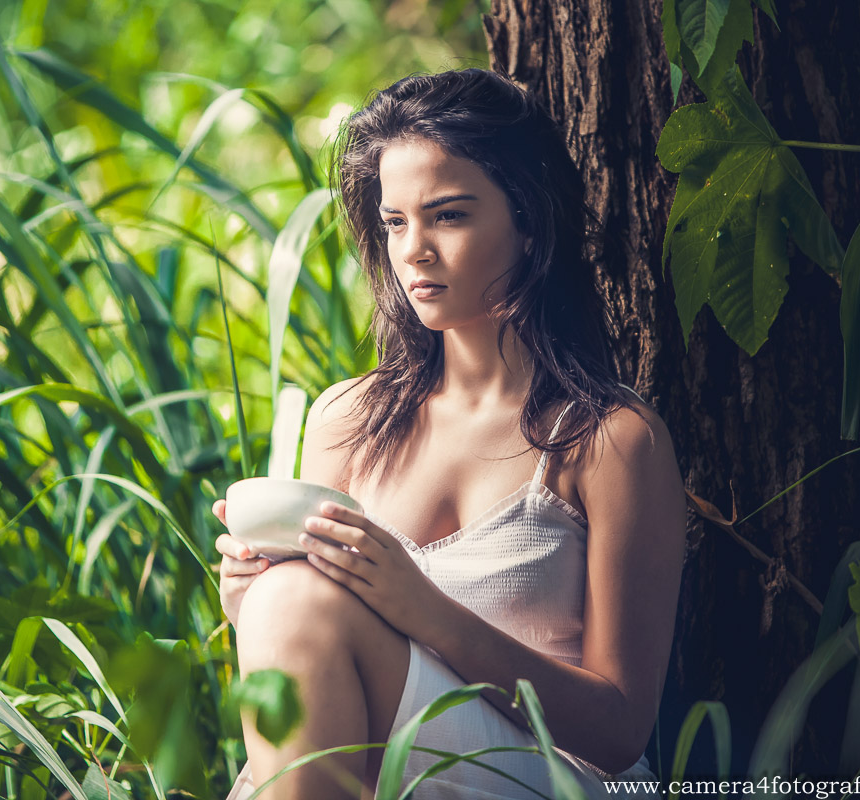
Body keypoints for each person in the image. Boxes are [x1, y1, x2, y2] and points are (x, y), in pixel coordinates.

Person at [214, 69, 686, 800]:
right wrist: (252, 600)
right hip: (381, 775)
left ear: (529, 221)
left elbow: (621, 732)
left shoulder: (610, 441)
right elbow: (319, 648)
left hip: (558, 775)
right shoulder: (347, 421)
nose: (414, 250)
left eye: (449, 216)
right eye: (395, 222)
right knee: (286, 597)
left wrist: (426, 612)